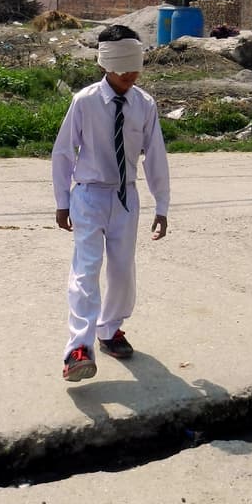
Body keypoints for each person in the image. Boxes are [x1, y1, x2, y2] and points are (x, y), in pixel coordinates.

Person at [53, 24, 170, 382]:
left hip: (125, 197)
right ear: (106, 64)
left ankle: (109, 329)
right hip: (88, 194)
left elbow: (155, 158)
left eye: (135, 67)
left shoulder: (143, 104)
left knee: (122, 270)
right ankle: (79, 348)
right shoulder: (85, 102)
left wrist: (161, 206)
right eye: (123, 68)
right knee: (86, 270)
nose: (130, 75)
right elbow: (62, 153)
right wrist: (62, 201)